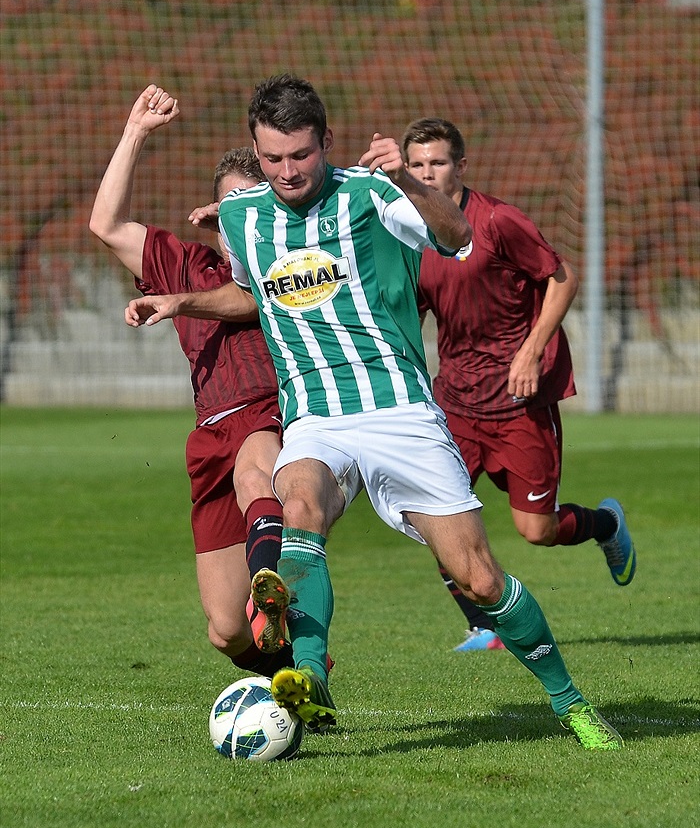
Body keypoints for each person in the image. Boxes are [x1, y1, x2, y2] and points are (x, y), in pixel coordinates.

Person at [125, 74, 623, 750]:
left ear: (325, 142)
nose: (286, 171)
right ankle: (308, 678)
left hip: (401, 413)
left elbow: (456, 237)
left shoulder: (369, 190)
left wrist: (410, 183)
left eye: (300, 155)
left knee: (477, 576)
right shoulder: (243, 218)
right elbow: (255, 299)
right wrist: (181, 301)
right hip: (315, 417)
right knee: (296, 502)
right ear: (256, 151)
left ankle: (571, 704)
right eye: (271, 159)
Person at [401, 117, 637, 652]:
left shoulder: (499, 222)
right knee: (437, 517)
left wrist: (531, 352)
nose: (426, 174)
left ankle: (605, 525)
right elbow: (413, 309)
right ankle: (484, 625)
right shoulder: (411, 233)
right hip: (455, 401)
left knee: (538, 530)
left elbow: (562, 277)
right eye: (416, 165)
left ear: (460, 165)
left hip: (517, 400)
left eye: (436, 163)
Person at [89, 83, 295, 679]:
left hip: (268, 409)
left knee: (259, 469)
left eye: (251, 202)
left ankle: (274, 585)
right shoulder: (185, 260)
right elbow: (106, 224)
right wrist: (135, 133)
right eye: (229, 205)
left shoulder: (289, 263)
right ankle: (295, 672)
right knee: (225, 630)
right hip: (208, 434)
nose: (239, 216)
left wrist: (178, 303)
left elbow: (247, 298)